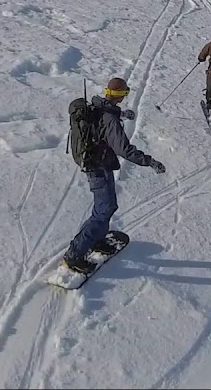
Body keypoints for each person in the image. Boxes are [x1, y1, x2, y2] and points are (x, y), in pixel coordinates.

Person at [63, 76, 166, 273]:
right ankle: (74, 254)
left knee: (107, 206)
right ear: (121, 95)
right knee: (104, 209)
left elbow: (105, 116)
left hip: (99, 163)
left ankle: (97, 239)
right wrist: (149, 161)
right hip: (98, 167)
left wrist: (121, 115)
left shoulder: (97, 106)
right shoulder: (110, 119)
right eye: (125, 93)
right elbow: (123, 149)